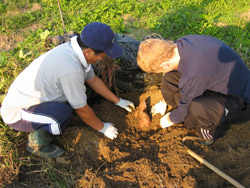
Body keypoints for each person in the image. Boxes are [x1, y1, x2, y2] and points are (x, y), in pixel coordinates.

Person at [0, 22, 135, 158]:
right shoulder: (71, 69)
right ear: (88, 51)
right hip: (18, 113)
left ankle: (47, 119)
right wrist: (103, 127)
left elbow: (93, 80)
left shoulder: (75, 51)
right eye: (102, 55)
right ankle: (37, 143)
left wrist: (118, 101)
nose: (103, 58)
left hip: (35, 99)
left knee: (67, 106)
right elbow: (81, 109)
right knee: (62, 116)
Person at [137, 35, 250, 145]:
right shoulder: (183, 43)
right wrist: (164, 102)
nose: (161, 73)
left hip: (240, 101)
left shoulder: (193, 73)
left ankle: (210, 135)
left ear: (165, 64)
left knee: (197, 108)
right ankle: (182, 111)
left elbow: (186, 105)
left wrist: (170, 119)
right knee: (169, 79)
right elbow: (176, 76)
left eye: (159, 71)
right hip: (216, 82)